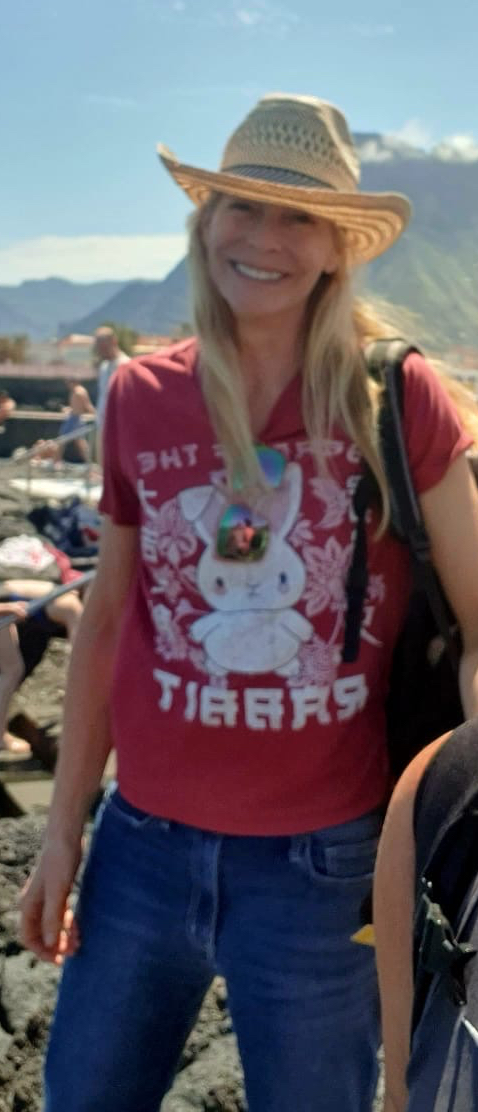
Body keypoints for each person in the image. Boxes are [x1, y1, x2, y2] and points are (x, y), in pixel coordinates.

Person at [19, 92, 478, 1112]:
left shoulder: (397, 400)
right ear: (204, 222)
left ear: (335, 248)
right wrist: (62, 833)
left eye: (298, 216)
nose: (264, 237)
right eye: (241, 206)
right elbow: (105, 621)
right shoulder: (138, 393)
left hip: (324, 872)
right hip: (137, 848)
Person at [0, 580, 83, 756]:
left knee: (12, 669)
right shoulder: (72, 608)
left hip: (12, 593)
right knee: (11, 670)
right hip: (7, 597)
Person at [33, 381, 95, 464]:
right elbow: (78, 407)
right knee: (77, 442)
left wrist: (97, 415)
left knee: (64, 441)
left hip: (74, 420)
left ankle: (56, 461)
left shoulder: (79, 391)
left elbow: (87, 405)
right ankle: (57, 461)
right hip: (74, 418)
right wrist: (69, 410)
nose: (68, 384)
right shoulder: (77, 391)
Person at [93, 326, 129, 458]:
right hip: (102, 425)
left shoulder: (126, 366)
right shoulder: (104, 367)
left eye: (103, 346)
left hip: (119, 430)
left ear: (113, 342)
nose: (100, 351)